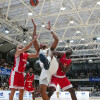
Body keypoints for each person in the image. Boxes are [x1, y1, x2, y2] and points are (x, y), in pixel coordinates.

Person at [32, 19, 59, 100]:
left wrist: (51, 30)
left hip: (52, 65)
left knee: (51, 52)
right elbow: (34, 40)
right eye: (42, 43)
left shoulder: (50, 49)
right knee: (41, 90)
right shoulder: (39, 51)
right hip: (46, 69)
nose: (42, 43)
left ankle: (47, 61)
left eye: (45, 43)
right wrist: (35, 27)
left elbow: (57, 40)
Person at [9, 35, 39, 100]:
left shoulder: (26, 54)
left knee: (21, 91)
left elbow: (36, 55)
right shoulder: (17, 53)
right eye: (19, 48)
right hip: (15, 73)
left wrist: (39, 48)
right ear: (17, 49)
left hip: (21, 74)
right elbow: (26, 48)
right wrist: (33, 40)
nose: (20, 49)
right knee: (13, 90)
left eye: (21, 47)